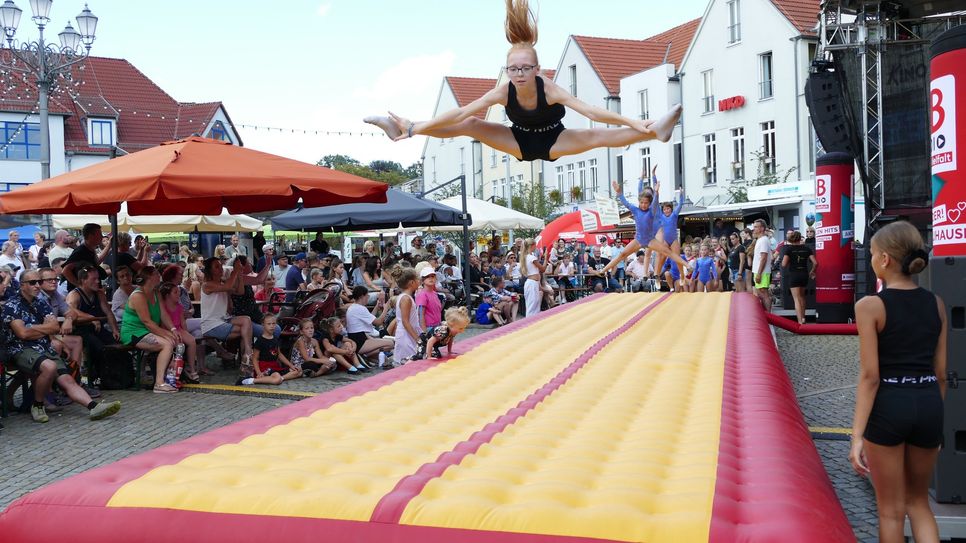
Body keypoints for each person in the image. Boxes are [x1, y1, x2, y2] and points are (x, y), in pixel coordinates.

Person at [365, 0, 681, 162]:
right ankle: (401, 130)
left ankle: (656, 131)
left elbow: (593, 112)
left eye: (525, 69)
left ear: (537, 69)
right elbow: (462, 114)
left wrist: (633, 121)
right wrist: (414, 128)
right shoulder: (503, 91)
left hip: (554, 139)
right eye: (513, 69)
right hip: (517, 141)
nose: (518, 74)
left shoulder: (551, 89)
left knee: (598, 135)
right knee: (471, 123)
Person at [848, 221, 946, 543]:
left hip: (890, 404)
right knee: (919, 504)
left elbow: (870, 377)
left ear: (885, 259)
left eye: (873, 253)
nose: (872, 258)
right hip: (929, 402)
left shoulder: (870, 306)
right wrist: (933, 418)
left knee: (890, 511)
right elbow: (941, 373)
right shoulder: (936, 304)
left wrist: (857, 437)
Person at [1, 270, 121, 423]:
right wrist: (43, 328)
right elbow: (23, 334)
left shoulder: (41, 302)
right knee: (49, 367)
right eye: (33, 283)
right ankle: (37, 405)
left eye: (38, 282)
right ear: (22, 285)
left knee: (66, 379)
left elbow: (54, 328)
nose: (37, 286)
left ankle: (93, 407)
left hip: (43, 346)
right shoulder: (12, 305)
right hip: (20, 349)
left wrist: (34, 328)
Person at [597, 181, 691, 279]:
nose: (643, 205)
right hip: (638, 240)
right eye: (641, 202)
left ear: (649, 203)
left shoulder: (651, 211)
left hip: (650, 240)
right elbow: (625, 203)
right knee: (622, 254)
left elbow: (655, 202)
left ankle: (687, 266)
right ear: (639, 202)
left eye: (646, 203)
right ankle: (603, 271)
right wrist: (619, 192)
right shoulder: (635, 210)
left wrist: (657, 192)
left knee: (668, 252)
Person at [119, 267, 180, 394]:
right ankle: (159, 383)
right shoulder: (138, 296)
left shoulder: (156, 293)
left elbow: (163, 314)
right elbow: (147, 321)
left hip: (147, 331)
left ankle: (172, 379)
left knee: (175, 341)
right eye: (157, 274)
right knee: (167, 344)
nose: (160, 276)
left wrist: (173, 329)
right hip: (134, 333)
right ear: (150, 278)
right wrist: (167, 334)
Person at [66, 266, 121, 388]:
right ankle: (93, 375)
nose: (98, 281)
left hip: (98, 329)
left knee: (116, 344)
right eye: (94, 279)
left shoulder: (99, 294)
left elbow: (108, 312)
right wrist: (90, 318)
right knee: (97, 347)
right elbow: (69, 310)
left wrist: (115, 329)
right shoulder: (74, 295)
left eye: (98, 279)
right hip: (80, 330)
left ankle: (112, 376)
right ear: (83, 280)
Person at [200, 257, 255, 373]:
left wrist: (239, 273)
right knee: (246, 330)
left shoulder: (223, 282)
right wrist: (235, 271)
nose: (220, 268)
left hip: (223, 320)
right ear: (209, 270)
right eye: (216, 267)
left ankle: (247, 354)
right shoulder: (207, 285)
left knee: (247, 321)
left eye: (220, 266)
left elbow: (240, 291)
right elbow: (229, 287)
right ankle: (247, 358)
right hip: (212, 324)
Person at [158, 282, 201, 383]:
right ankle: (176, 369)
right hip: (167, 330)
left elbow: (183, 323)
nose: (178, 294)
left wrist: (186, 333)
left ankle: (192, 369)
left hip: (178, 329)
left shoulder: (179, 306)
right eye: (175, 292)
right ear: (168, 295)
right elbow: (163, 324)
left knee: (191, 340)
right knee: (179, 344)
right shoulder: (163, 307)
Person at [345, 285, 395, 366]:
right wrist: (385, 309)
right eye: (367, 295)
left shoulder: (354, 307)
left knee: (384, 359)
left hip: (359, 337)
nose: (368, 297)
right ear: (362, 296)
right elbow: (378, 322)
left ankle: (368, 355)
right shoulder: (359, 308)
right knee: (390, 344)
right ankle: (366, 354)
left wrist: (376, 307)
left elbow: (369, 319)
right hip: (360, 341)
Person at [781, 231, 818, 325]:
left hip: (794, 274)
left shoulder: (788, 250)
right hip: (804, 274)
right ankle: (804, 318)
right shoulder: (807, 249)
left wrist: (790, 261)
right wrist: (812, 271)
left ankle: (799, 321)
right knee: (802, 297)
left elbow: (783, 264)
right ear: (799, 238)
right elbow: (815, 263)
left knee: (796, 299)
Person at [62, 223, 108, 290]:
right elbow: (65, 271)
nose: (102, 237)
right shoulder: (80, 251)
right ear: (91, 236)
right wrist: (80, 287)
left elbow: (96, 262)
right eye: (100, 234)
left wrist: (109, 246)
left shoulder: (90, 249)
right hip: (81, 295)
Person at [391, 266, 422, 365]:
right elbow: (405, 321)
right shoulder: (406, 299)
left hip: (407, 334)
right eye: (417, 279)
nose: (419, 281)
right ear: (411, 283)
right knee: (408, 364)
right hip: (406, 336)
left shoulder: (406, 297)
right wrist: (417, 339)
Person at [519, 239, 547, 318]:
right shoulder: (531, 257)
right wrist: (545, 258)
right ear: (532, 246)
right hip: (532, 283)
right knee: (532, 306)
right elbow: (543, 269)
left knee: (534, 306)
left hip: (533, 283)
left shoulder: (526, 257)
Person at [751, 219, 773, 311]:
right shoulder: (760, 240)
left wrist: (759, 273)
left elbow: (763, 258)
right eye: (754, 227)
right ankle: (766, 315)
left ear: (762, 228)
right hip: (758, 270)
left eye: (756, 227)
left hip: (762, 272)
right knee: (760, 293)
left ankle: (769, 316)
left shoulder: (764, 240)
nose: (754, 229)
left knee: (764, 293)